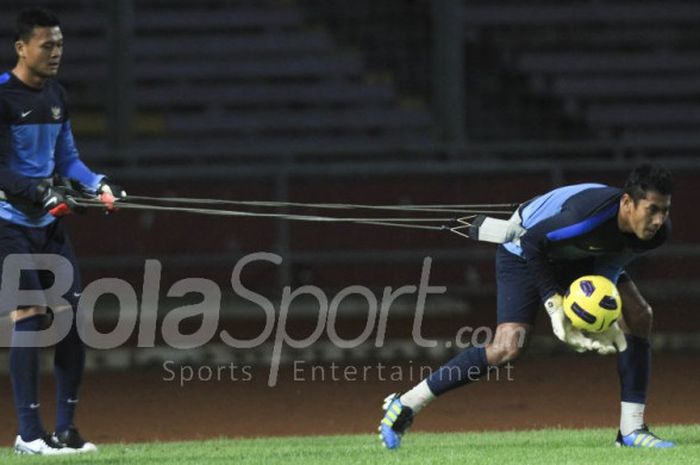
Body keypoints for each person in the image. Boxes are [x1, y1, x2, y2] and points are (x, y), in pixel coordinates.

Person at [378, 163, 675, 449]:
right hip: (524, 249)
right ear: (627, 203)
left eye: (664, 210)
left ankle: (631, 431)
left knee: (638, 315)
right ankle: (405, 404)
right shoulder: (586, 218)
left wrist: (598, 316)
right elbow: (533, 242)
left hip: (581, 256)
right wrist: (555, 306)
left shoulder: (655, 234)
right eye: (652, 210)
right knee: (508, 346)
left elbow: (610, 265)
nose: (659, 220)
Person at [1, 8, 125, 455]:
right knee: (30, 318)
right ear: (21, 48)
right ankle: (30, 435)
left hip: (47, 226)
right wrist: (42, 192)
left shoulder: (56, 95)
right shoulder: (2, 97)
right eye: (46, 45)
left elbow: (68, 158)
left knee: (73, 323)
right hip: (8, 227)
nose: (56, 53)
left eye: (59, 45)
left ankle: (66, 431)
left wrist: (98, 184)